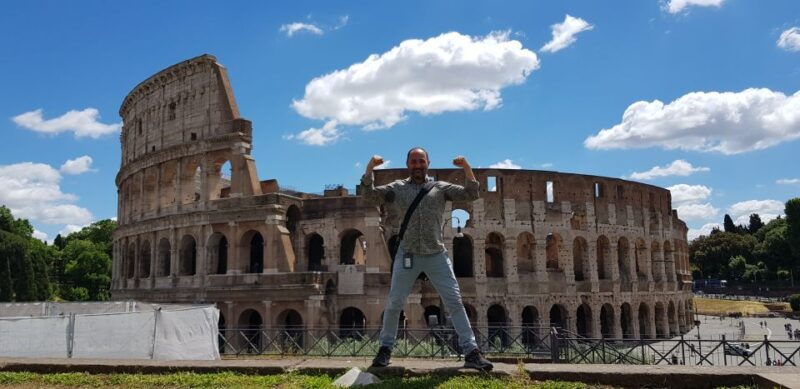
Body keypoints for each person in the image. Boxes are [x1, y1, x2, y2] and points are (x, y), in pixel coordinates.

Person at [362, 147, 493, 371]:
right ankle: (385, 349)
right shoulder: (398, 188)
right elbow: (369, 195)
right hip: (408, 253)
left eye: (421, 161)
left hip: (436, 254)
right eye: (413, 161)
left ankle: (471, 351)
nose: (417, 165)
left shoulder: (440, 188)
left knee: (454, 301)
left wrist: (466, 167)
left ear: (428, 163)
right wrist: (369, 168)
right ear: (407, 164)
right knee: (394, 303)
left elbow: (472, 194)